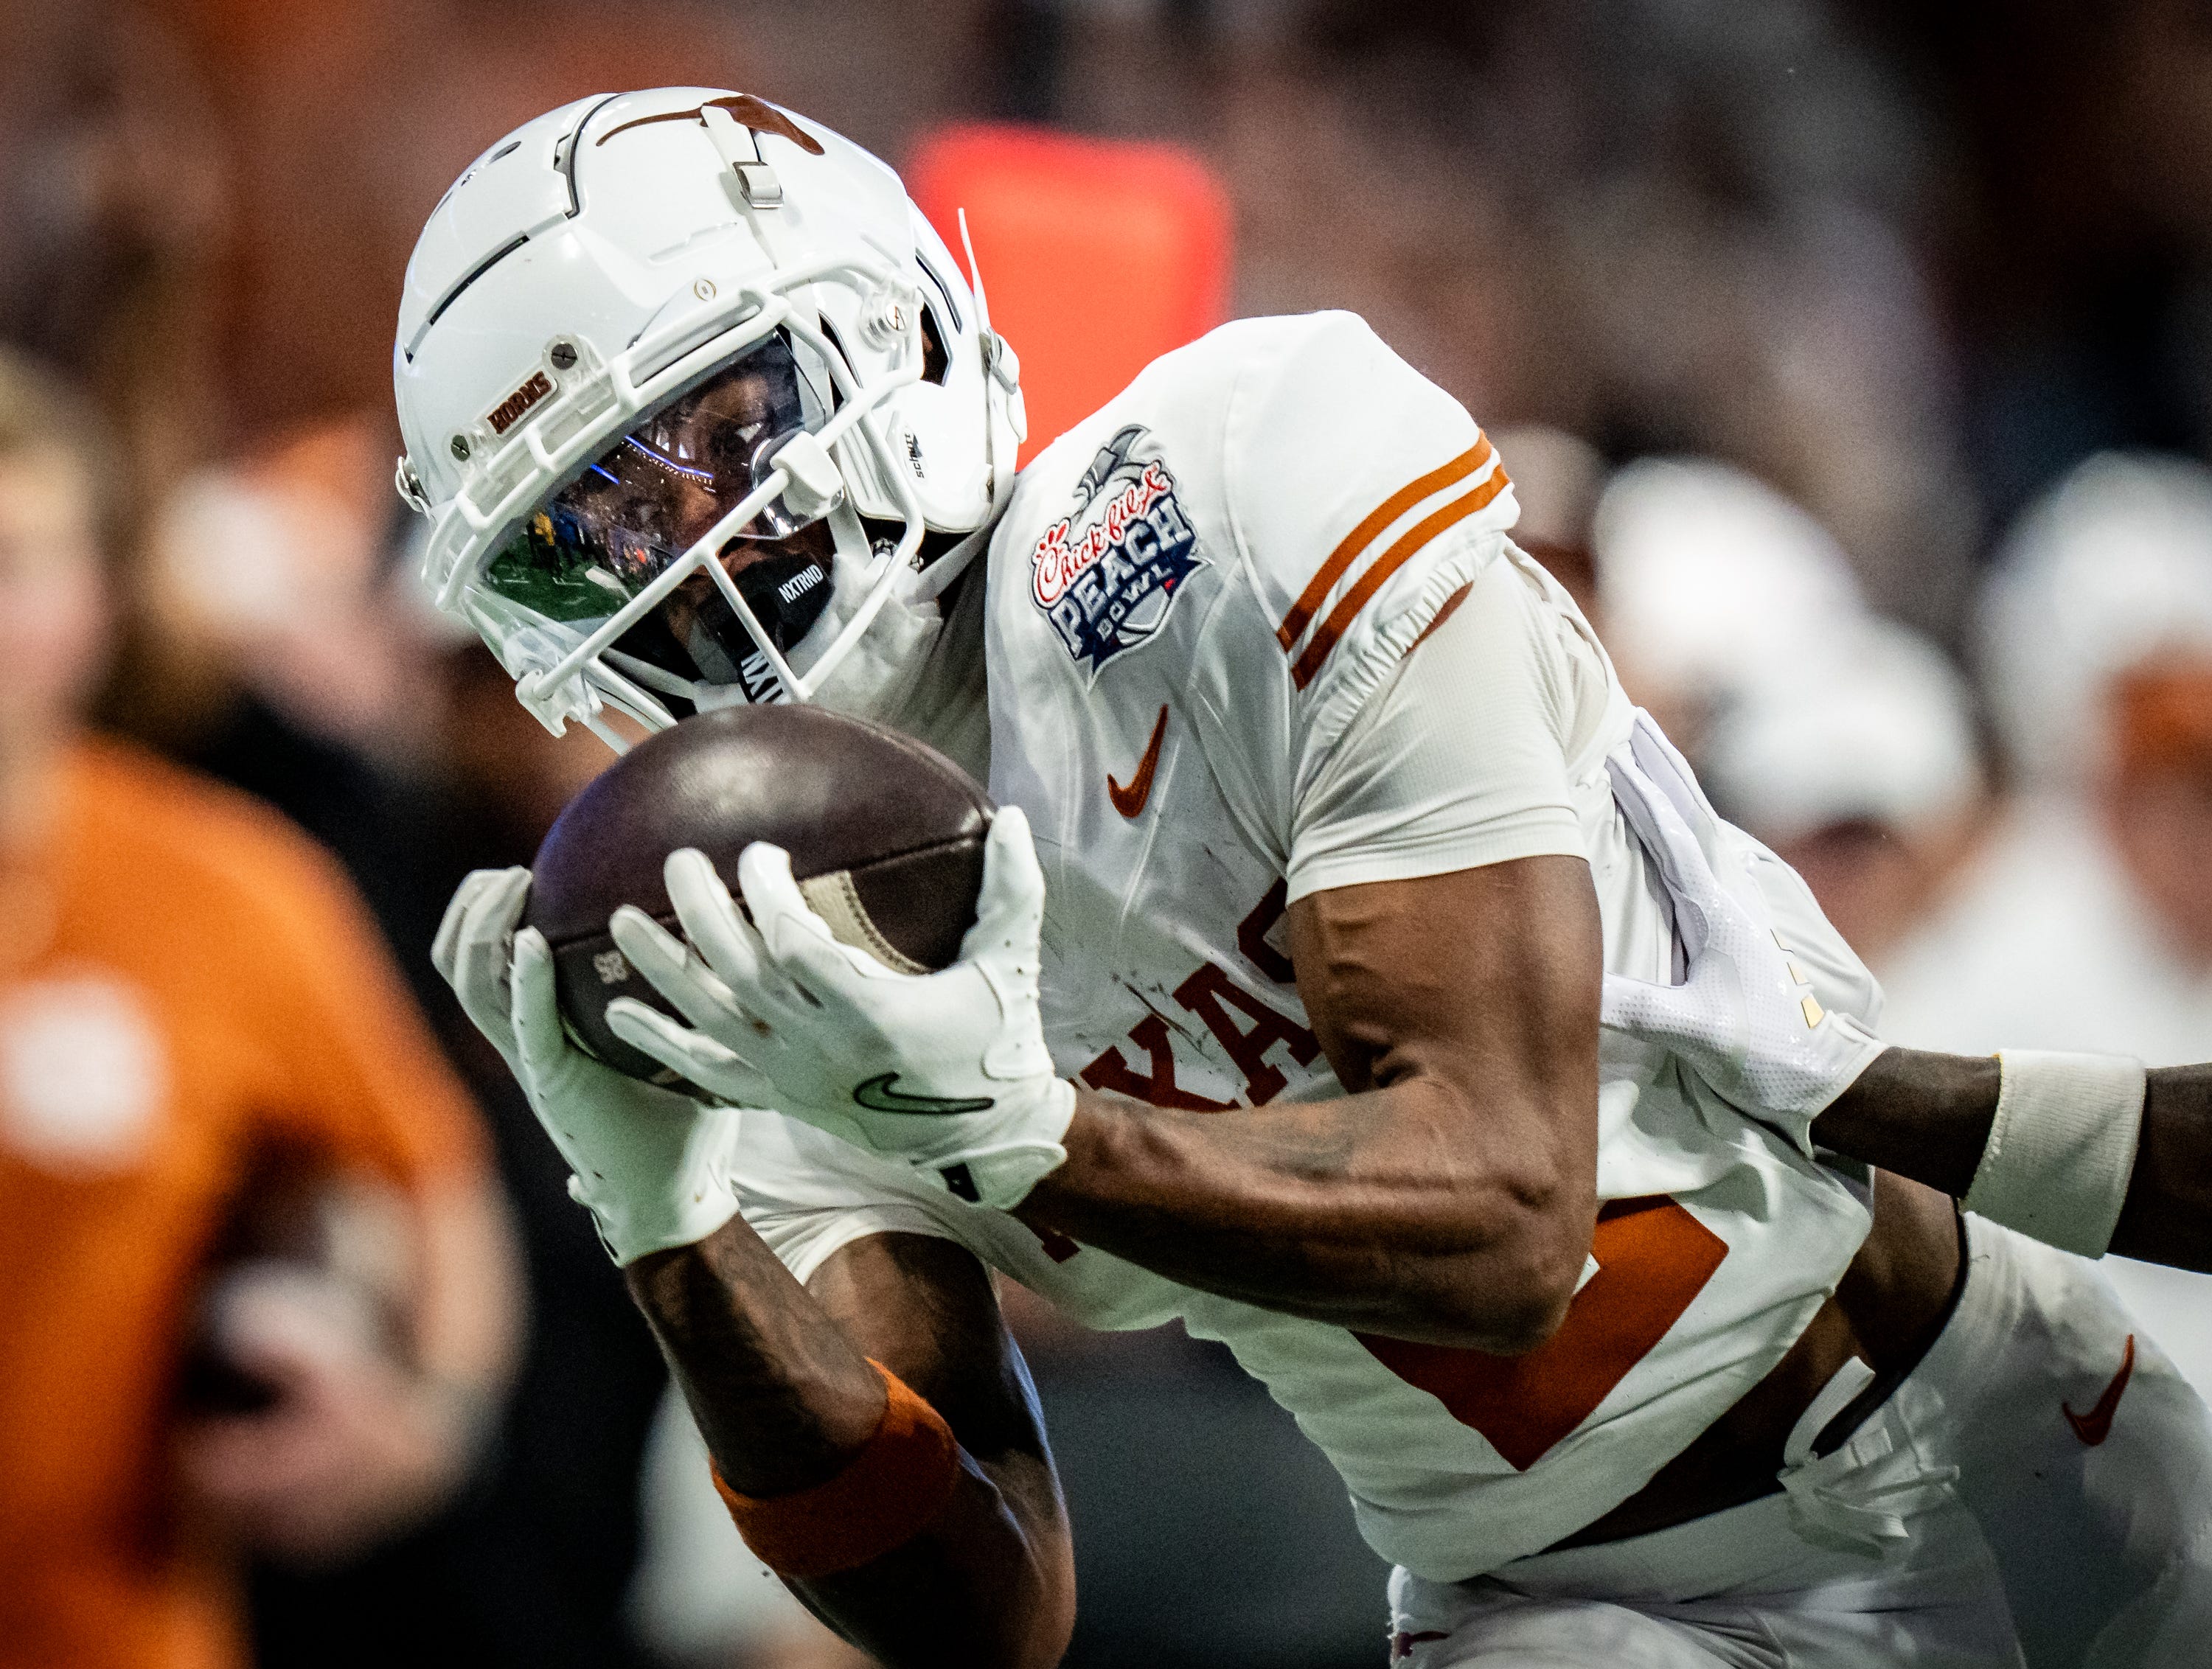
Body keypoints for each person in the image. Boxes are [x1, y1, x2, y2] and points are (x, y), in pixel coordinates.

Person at [403, 91, 2212, 1667]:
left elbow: (1511, 1209)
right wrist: (669, 1233)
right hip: (1567, 1607)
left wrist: (1030, 1134)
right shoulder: (757, 947)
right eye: (592, 536)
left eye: (717, 429)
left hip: (1997, 1405)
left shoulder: (1229, 491)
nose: (687, 550)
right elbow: (987, 1611)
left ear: (897, 330)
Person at [0, 349, 520, 1669]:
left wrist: (422, 1428)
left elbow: (444, 1195)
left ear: (99, 603)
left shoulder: (228, 893)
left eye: (15, 563)